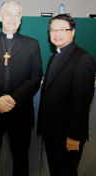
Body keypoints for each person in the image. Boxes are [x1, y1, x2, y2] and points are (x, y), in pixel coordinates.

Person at [0, 1, 42, 176]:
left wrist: (13, 99)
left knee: (21, 160)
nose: (12, 18)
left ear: (21, 19)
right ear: (0, 17)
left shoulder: (32, 45)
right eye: (8, 13)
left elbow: (35, 77)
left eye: (17, 14)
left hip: (20, 112)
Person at [37, 14, 96, 176]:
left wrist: (74, 136)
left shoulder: (83, 59)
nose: (57, 34)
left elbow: (82, 102)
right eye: (53, 30)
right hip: (52, 132)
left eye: (63, 29)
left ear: (73, 32)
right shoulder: (54, 57)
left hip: (67, 136)